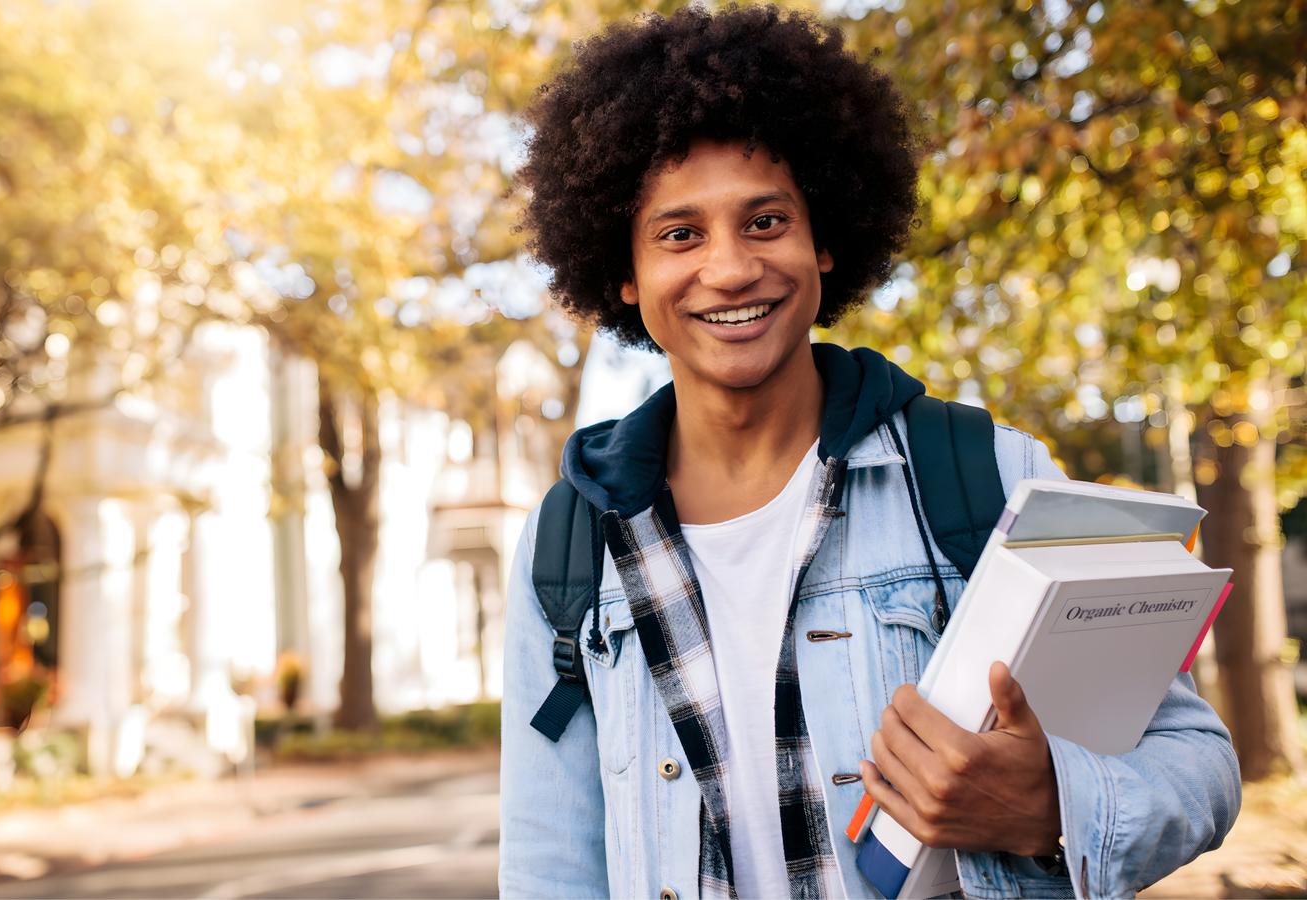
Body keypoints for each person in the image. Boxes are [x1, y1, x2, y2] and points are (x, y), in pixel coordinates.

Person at [498, 6, 1241, 900]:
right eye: (679, 233)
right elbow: (550, 867)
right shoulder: (569, 542)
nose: (729, 268)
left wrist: (1051, 806)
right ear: (623, 272)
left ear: (826, 239)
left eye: (766, 220)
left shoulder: (992, 479)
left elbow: (1197, 765)